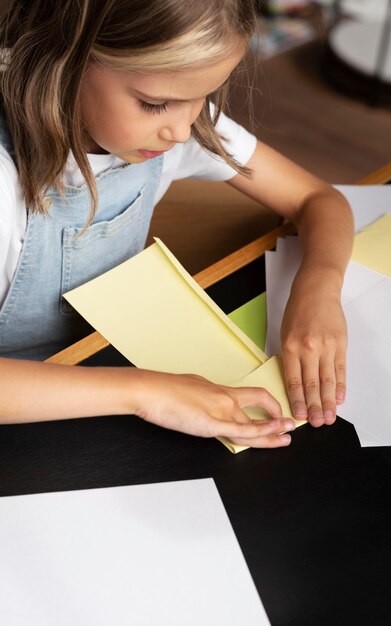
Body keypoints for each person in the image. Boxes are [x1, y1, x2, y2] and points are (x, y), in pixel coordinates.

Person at [0, 0, 353, 449]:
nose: (184, 132)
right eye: (155, 104)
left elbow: (317, 198)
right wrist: (148, 392)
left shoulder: (172, 120)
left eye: (204, 95)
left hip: (107, 362)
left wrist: (317, 291)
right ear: (65, 57)